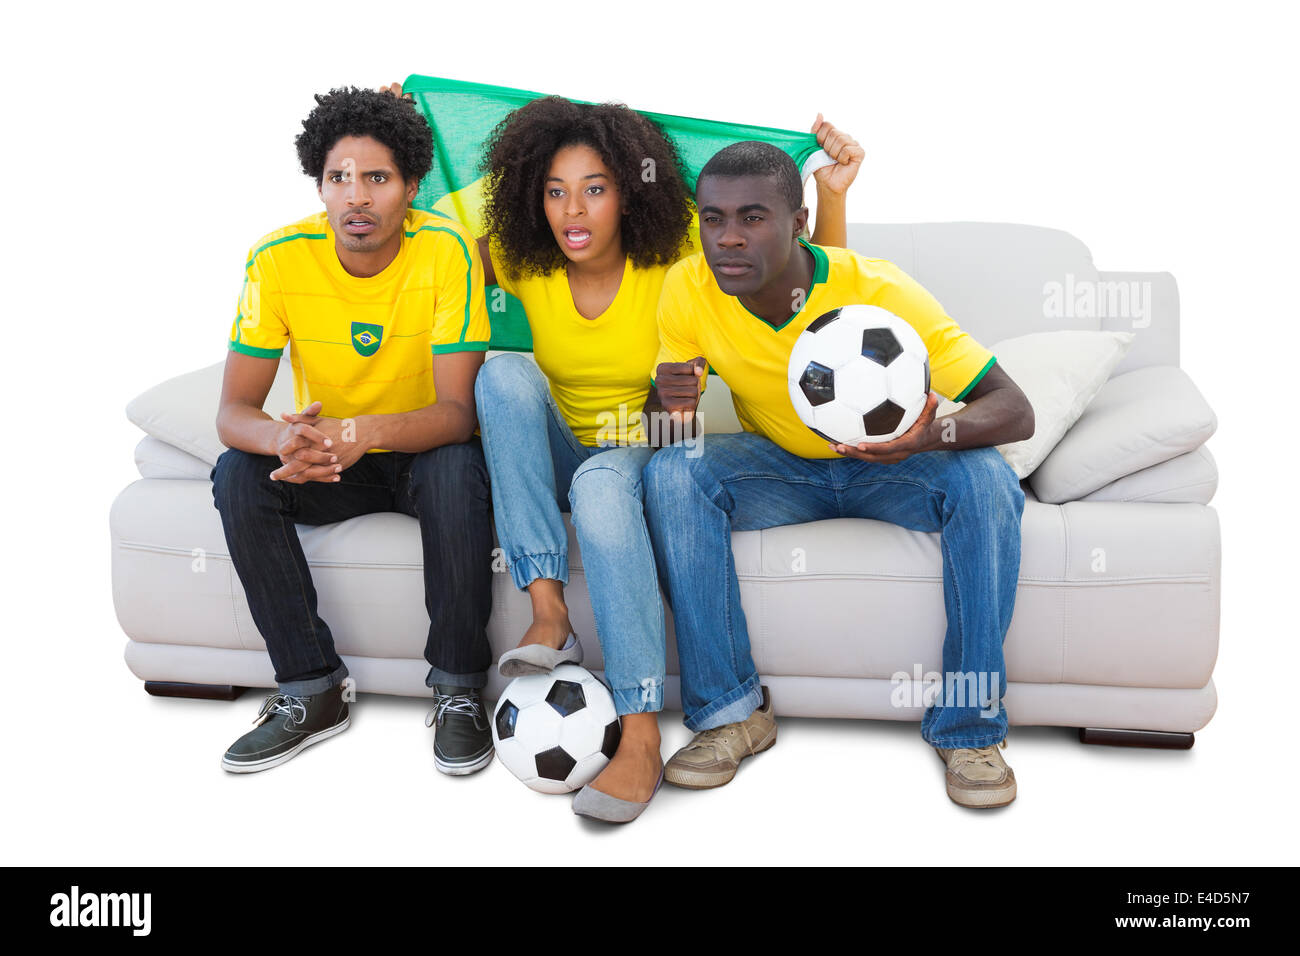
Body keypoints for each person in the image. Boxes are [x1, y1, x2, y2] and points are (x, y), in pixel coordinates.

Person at [384, 83, 859, 822]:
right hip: (565, 449)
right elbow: (421, 235)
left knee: (607, 482)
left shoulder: (677, 262)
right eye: (554, 192)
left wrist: (829, 197)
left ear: (630, 197)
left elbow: (812, 294)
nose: (572, 211)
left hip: (654, 445)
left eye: (595, 190)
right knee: (504, 374)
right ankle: (549, 610)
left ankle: (638, 731)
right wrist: (401, 137)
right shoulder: (521, 258)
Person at [645, 141, 1035, 809]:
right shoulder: (688, 287)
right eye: (712, 219)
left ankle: (968, 729)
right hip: (781, 466)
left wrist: (928, 435)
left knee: (988, 481)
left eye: (752, 218)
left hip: (892, 468)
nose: (727, 239)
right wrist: (666, 405)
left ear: (799, 222)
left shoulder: (877, 290)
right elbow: (665, 427)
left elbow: (1015, 409)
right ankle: (732, 714)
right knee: (672, 472)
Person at [211, 87, 496, 776]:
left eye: (377, 178)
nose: (355, 197)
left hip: (420, 449)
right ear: (319, 182)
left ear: (412, 187)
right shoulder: (277, 259)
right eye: (338, 177)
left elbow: (457, 413)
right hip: (334, 461)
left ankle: (459, 690)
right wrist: (284, 440)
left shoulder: (446, 251)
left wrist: (364, 429)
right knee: (237, 474)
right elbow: (233, 413)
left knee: (458, 466)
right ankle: (310, 690)